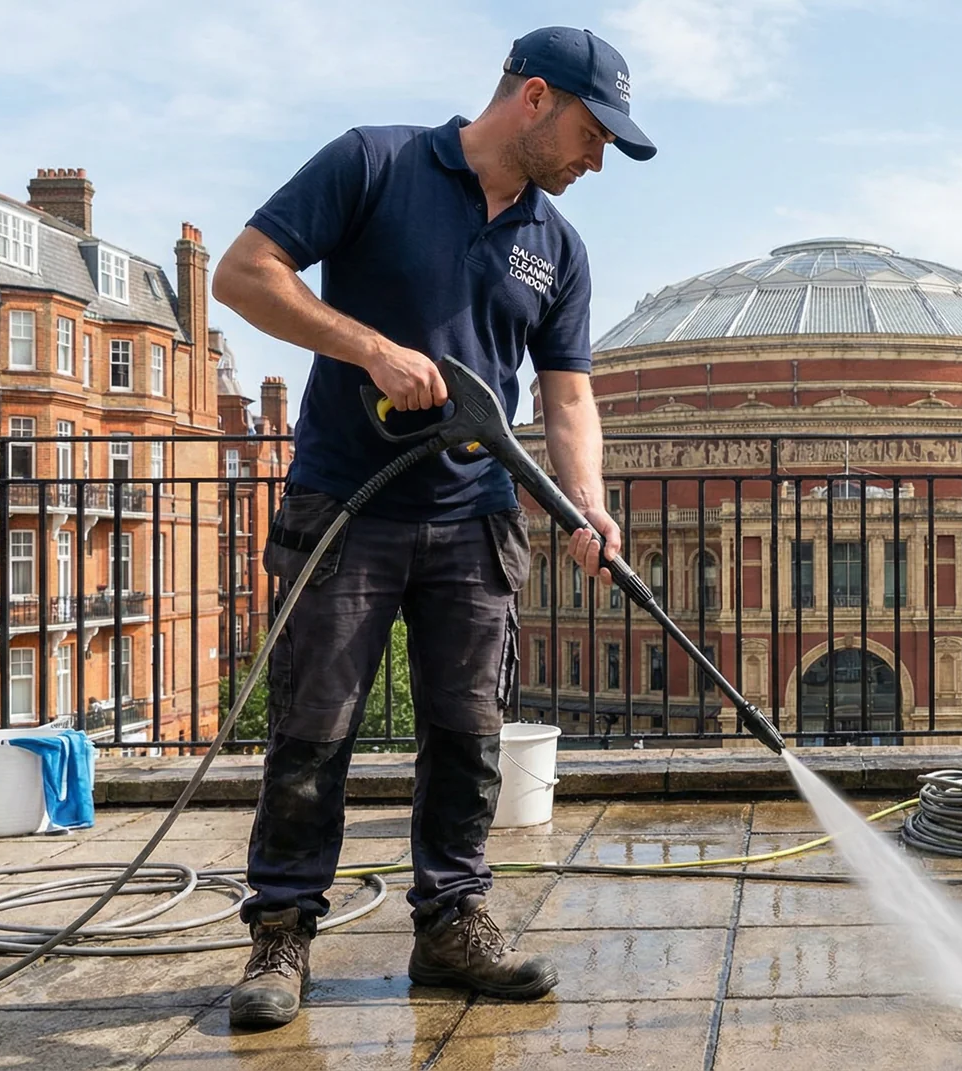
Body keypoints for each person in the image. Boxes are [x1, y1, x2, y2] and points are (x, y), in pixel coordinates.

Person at [209, 26, 652, 1029]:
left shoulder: (556, 248)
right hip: (346, 509)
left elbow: (569, 397)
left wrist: (585, 502)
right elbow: (243, 275)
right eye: (592, 134)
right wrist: (368, 349)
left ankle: (452, 923)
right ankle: (282, 931)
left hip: (478, 523)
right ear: (534, 99)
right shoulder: (375, 162)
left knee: (468, 735)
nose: (596, 160)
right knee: (312, 731)